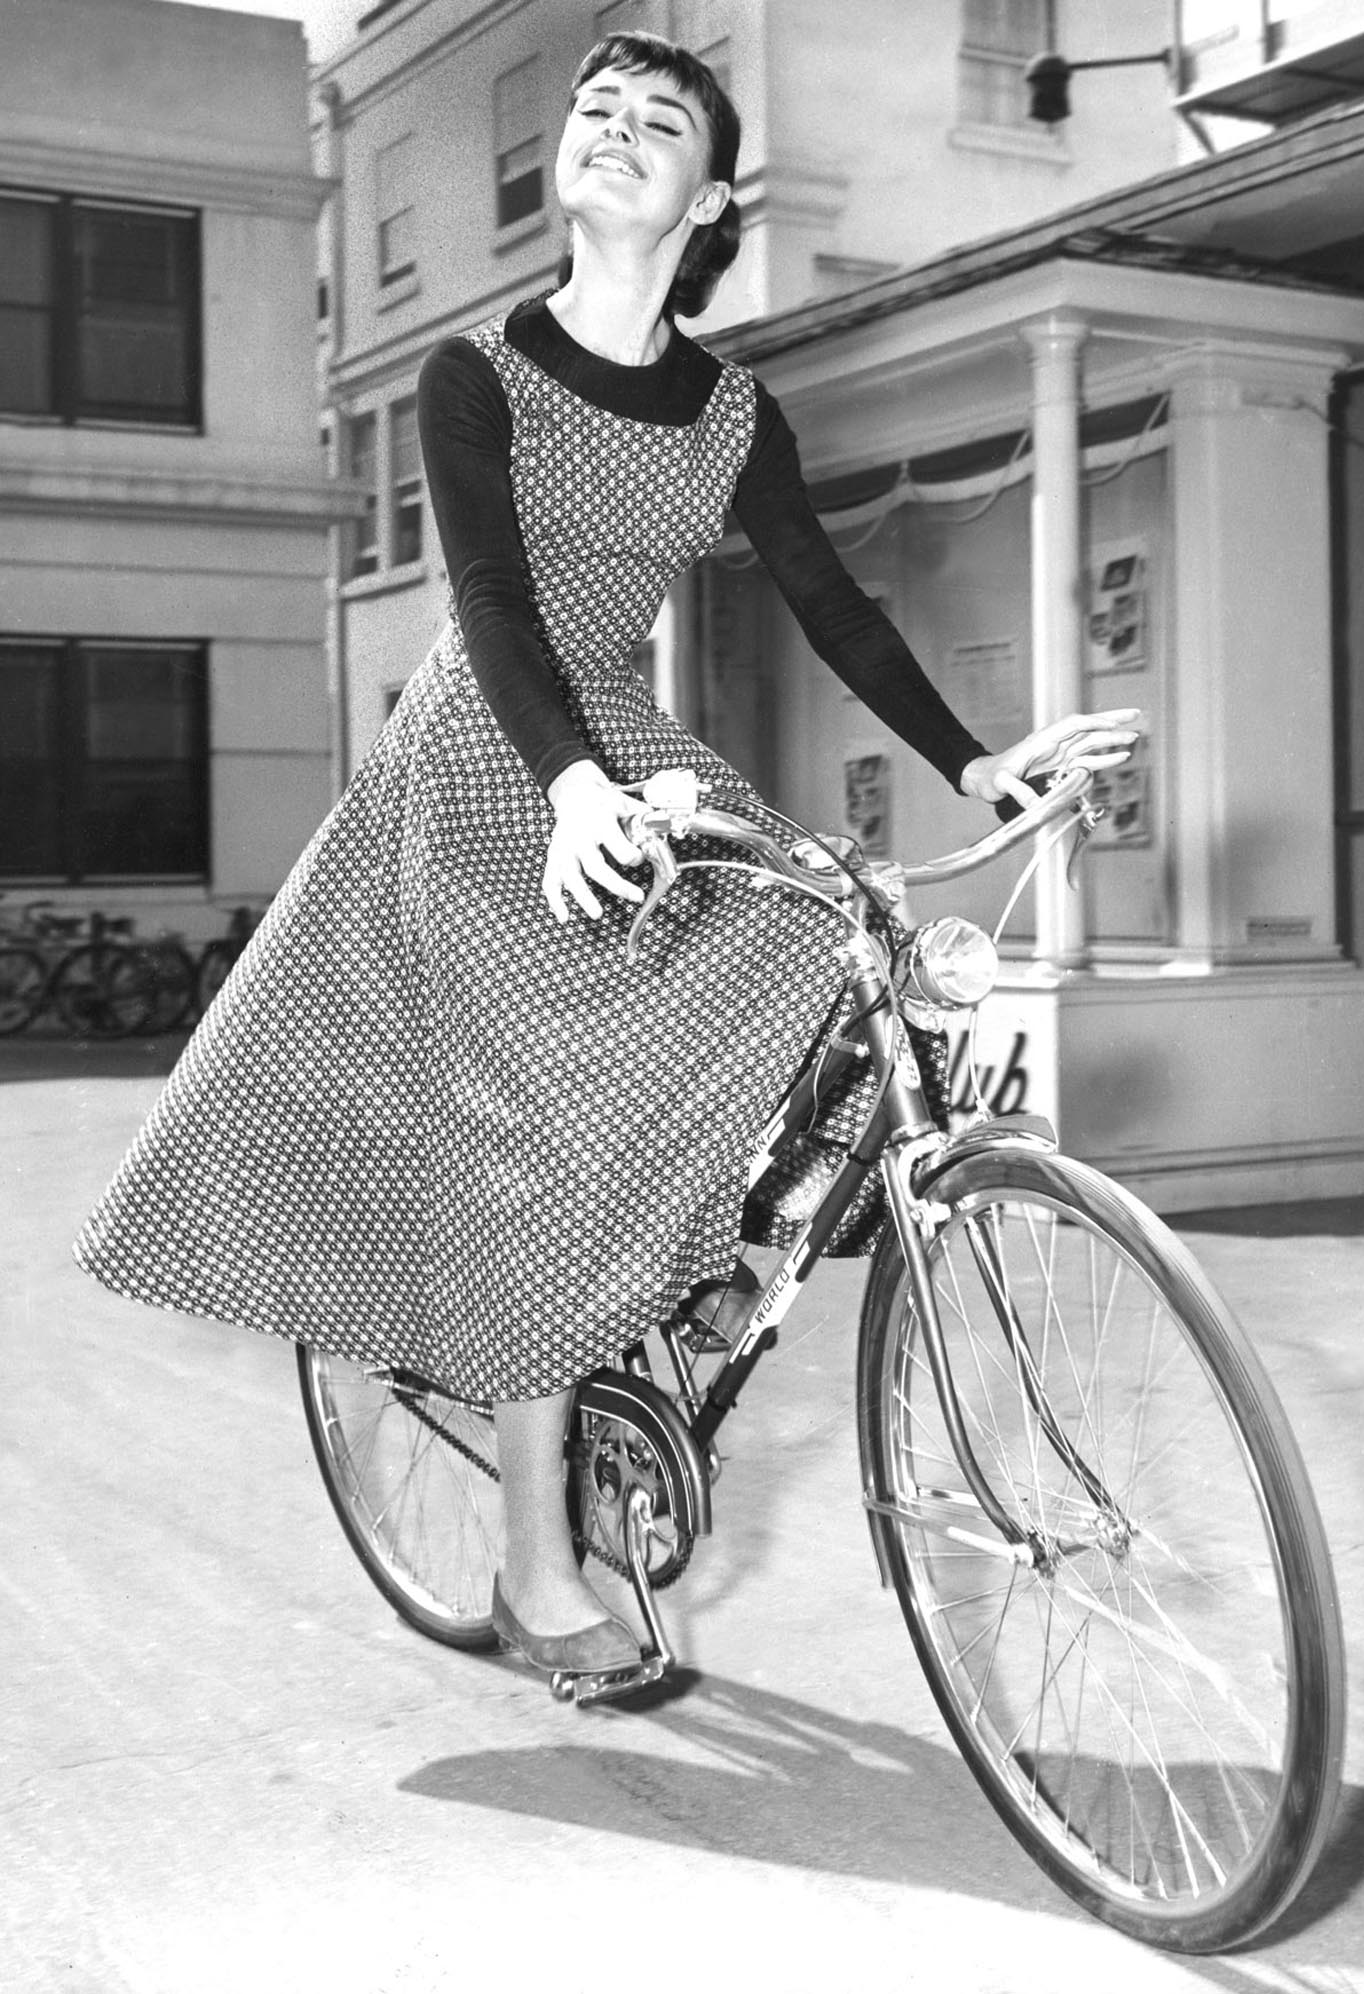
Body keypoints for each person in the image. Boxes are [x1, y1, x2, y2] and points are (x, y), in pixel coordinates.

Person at [75, 31, 1138, 1693]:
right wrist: (572, 787)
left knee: (837, 924)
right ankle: (532, 1564)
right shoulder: (477, 372)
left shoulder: (731, 413)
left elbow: (835, 605)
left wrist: (975, 760)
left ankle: (694, 1272)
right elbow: (496, 606)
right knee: (539, 1142)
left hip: (616, 741)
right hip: (490, 748)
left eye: (660, 119)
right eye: (594, 109)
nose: (615, 128)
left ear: (709, 200)